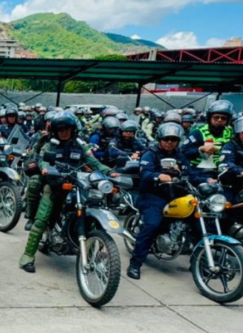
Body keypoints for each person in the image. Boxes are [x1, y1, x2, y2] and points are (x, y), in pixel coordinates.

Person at [18, 111, 113, 273]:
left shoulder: (80, 145)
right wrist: (47, 169)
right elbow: (42, 160)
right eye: (61, 129)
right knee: (41, 220)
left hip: (77, 184)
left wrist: (111, 173)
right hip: (54, 185)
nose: (65, 132)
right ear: (55, 130)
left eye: (68, 129)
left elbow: (94, 162)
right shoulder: (50, 145)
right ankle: (27, 256)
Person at [127, 123, 189, 280]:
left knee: (195, 218)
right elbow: (145, 172)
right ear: (160, 139)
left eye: (173, 139)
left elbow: (190, 172)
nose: (170, 142)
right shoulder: (150, 154)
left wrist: (206, 180)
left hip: (175, 194)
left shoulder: (180, 155)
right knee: (152, 225)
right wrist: (158, 176)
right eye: (166, 139)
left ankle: (199, 260)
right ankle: (135, 264)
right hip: (152, 195)